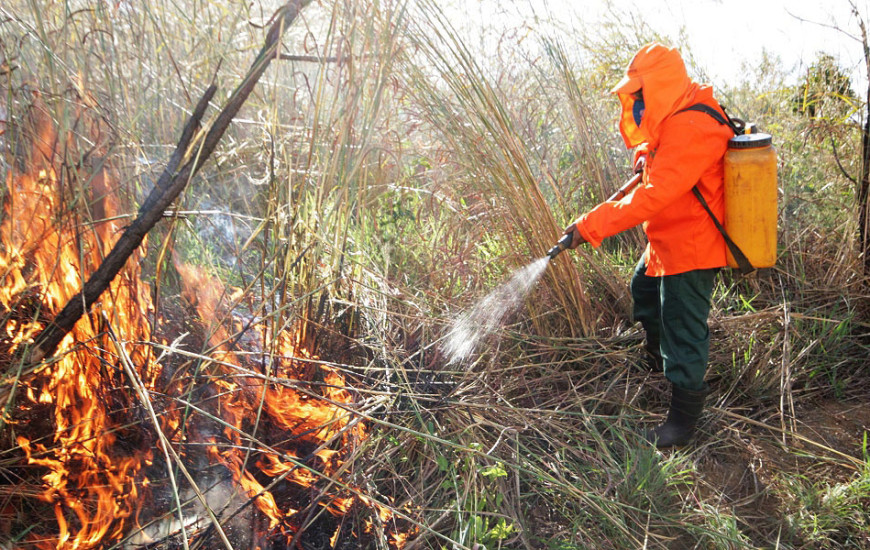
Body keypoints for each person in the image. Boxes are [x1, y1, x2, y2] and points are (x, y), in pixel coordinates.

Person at [562, 43, 734, 448]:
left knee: (683, 326)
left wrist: (590, 226)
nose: (637, 103)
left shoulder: (693, 125)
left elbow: (652, 197)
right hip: (669, 236)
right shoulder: (680, 111)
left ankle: (681, 423)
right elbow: (663, 142)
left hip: (691, 245)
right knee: (643, 289)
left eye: (641, 94)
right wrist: (645, 153)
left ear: (659, 87)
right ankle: (658, 362)